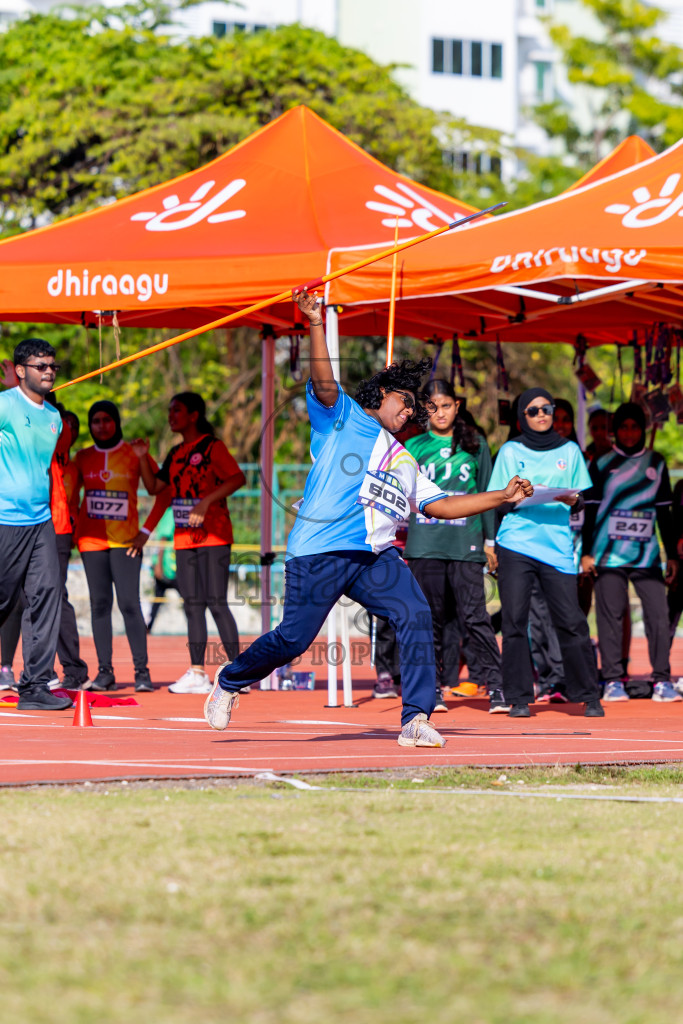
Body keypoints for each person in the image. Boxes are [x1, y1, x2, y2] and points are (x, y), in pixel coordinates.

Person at [203, 288, 532, 747]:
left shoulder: (405, 459)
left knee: (415, 612)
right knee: (294, 640)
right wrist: (316, 322)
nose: (410, 409)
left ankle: (415, 719)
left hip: (373, 558)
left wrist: (501, 495)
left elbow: (440, 507)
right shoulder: (343, 418)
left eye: (415, 406)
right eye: (404, 400)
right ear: (380, 394)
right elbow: (322, 382)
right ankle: (231, 679)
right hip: (319, 550)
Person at [487, 387, 604, 718]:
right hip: (515, 543)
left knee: (571, 621)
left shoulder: (570, 450)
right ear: (523, 416)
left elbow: (581, 499)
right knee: (514, 621)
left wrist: (572, 499)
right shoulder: (509, 451)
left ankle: (588, 694)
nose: (542, 415)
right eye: (534, 410)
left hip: (556, 547)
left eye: (547, 409)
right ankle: (520, 698)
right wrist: (491, 542)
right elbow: (497, 498)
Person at [403, 378, 507, 713]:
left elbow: (489, 494)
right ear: (424, 409)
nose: (440, 412)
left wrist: (490, 542)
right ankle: (430, 690)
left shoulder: (476, 444)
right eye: (432, 406)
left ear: (457, 406)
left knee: (475, 616)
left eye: (446, 405)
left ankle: (497, 687)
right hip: (424, 544)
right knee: (427, 619)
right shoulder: (413, 446)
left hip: (466, 544)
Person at [134, 393, 246, 694]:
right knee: (192, 606)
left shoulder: (212, 446)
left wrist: (206, 502)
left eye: (177, 410)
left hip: (215, 536)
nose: (171, 415)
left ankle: (239, 673)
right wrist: (144, 456)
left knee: (216, 602)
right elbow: (155, 488)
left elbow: (237, 479)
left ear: (194, 415)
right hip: (184, 540)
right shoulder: (175, 453)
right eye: (170, 410)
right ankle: (197, 672)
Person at [582, 402, 680, 702]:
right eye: (623, 427)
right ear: (615, 430)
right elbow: (588, 513)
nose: (628, 433)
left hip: (646, 556)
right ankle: (613, 680)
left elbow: (665, 515)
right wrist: (586, 553)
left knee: (659, 615)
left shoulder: (657, 462)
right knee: (610, 616)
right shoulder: (601, 463)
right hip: (607, 555)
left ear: (643, 429)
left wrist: (672, 556)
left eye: (634, 427)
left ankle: (662, 680)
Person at [0, 339, 72, 711]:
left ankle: (34, 686)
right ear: (20, 370)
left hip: (41, 519)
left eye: (52, 366)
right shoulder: (5, 405)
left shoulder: (53, 418)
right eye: (40, 365)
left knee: (48, 596)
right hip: (5, 519)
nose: (48, 371)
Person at [75, 400, 165, 692]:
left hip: (127, 542)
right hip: (92, 542)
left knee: (129, 604)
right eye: (95, 421)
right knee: (99, 605)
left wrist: (145, 531)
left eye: (107, 419)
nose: (101, 426)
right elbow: (65, 495)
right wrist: (76, 528)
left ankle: (142, 673)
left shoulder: (134, 451)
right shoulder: (82, 457)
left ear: (116, 421)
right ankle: (104, 672)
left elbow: (162, 491)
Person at [145, 506, 178, 633]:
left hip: (170, 566)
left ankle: (148, 628)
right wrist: (158, 565)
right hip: (168, 567)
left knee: (158, 599)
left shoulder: (169, 512)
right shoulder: (170, 512)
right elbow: (162, 540)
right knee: (189, 601)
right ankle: (147, 628)